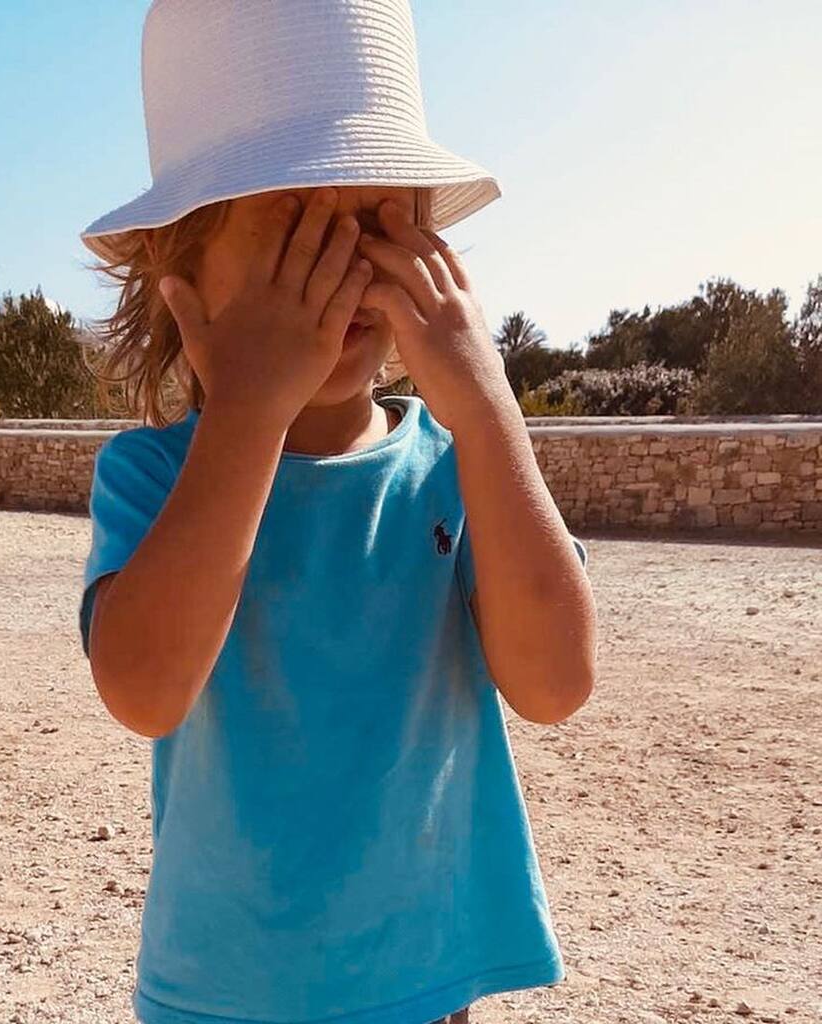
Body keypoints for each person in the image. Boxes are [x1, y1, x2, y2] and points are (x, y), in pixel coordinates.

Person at [77, 2, 598, 1023]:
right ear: (179, 274)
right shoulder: (153, 476)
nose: (345, 267)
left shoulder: (455, 465)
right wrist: (249, 411)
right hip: (225, 996)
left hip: (426, 986)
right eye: (297, 232)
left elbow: (555, 683)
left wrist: (488, 409)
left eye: (375, 225)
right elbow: (143, 690)